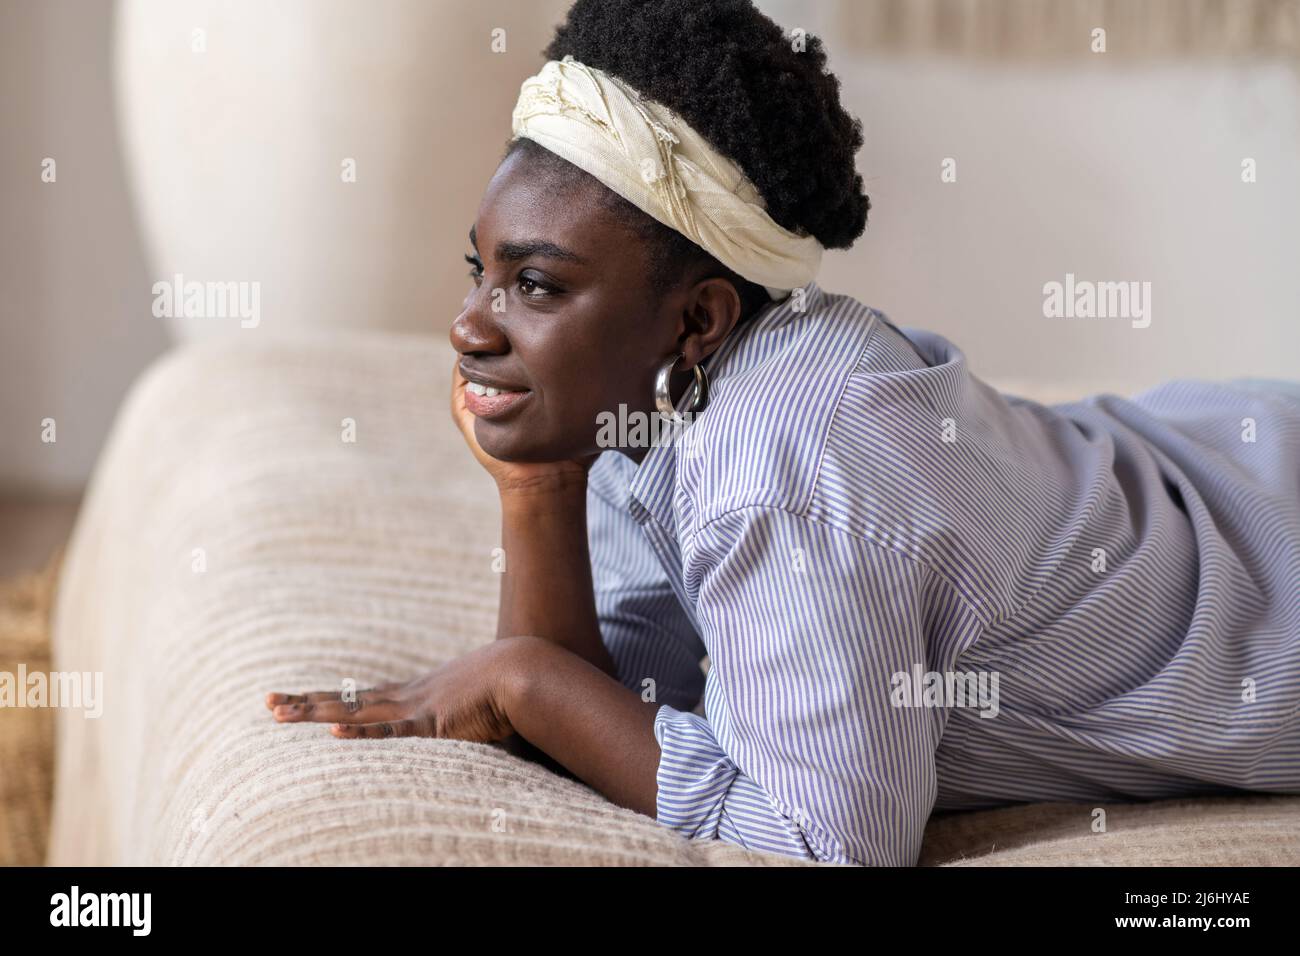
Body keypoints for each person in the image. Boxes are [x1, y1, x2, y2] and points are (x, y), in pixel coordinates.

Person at [268, 0, 1300, 866]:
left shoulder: (783, 465)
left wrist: (518, 678)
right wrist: (535, 489)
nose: (468, 323)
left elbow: (827, 841)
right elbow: (626, 703)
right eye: (479, 270)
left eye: (534, 283)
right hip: (1220, 466)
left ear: (699, 317)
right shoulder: (653, 408)